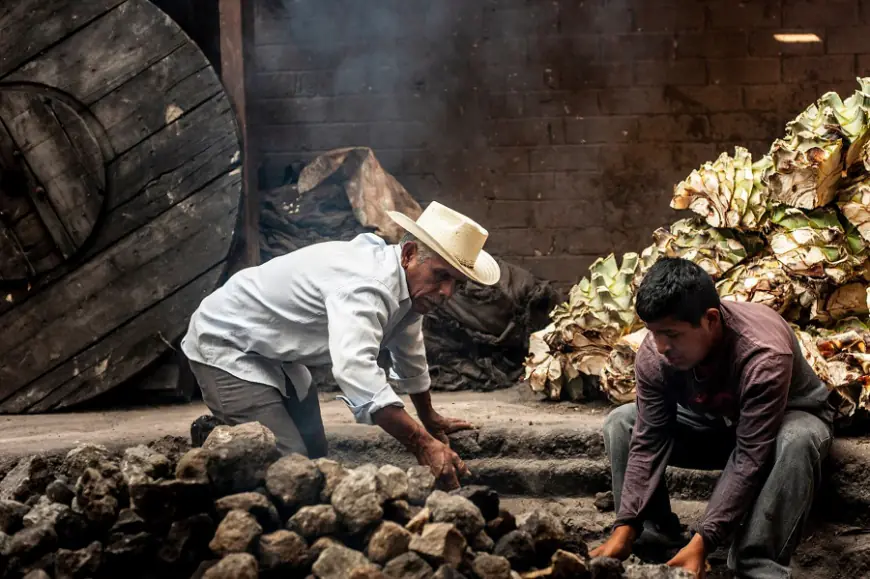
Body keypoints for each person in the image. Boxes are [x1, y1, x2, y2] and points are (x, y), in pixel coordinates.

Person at [180, 201, 501, 490]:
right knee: (291, 464)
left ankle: (229, 433)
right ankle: (217, 449)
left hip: (275, 352)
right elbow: (358, 375)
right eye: (441, 275)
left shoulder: (407, 287)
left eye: (456, 284)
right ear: (408, 254)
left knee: (317, 455)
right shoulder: (367, 286)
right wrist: (422, 444)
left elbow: (409, 352)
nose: (446, 292)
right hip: (226, 342)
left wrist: (428, 417)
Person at [590, 257, 835, 578]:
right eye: (653, 333)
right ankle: (651, 533)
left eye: (672, 334)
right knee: (623, 421)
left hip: (779, 429)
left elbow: (750, 454)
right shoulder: (655, 352)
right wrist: (625, 524)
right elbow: (649, 438)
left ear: (710, 320)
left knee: (797, 439)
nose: (661, 346)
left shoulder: (763, 353)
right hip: (717, 427)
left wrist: (705, 539)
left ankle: (756, 562)